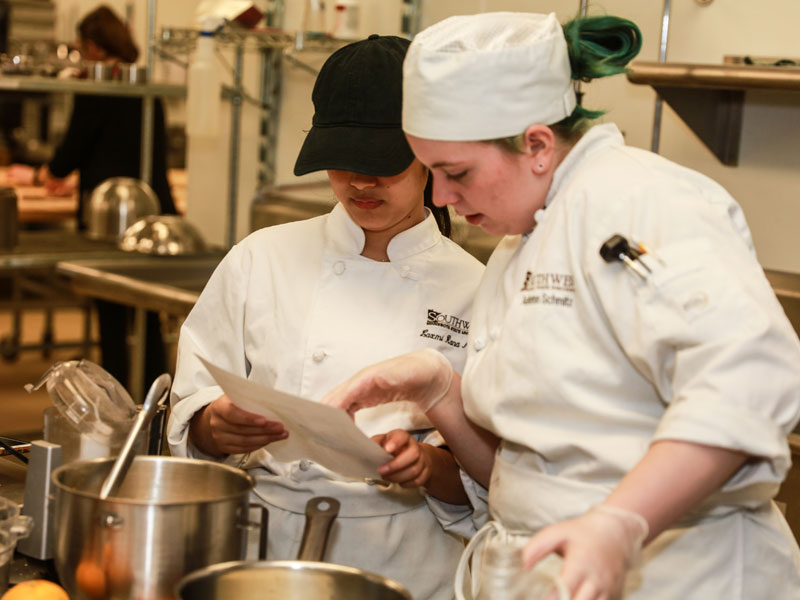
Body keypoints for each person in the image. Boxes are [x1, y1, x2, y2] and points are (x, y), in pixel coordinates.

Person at [323, 12, 800, 600]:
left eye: (456, 173)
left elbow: (750, 375)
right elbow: (527, 468)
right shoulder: (520, 240)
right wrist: (438, 392)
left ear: (538, 145)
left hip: (682, 576)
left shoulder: (639, 200)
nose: (441, 197)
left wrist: (620, 520)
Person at [167, 34, 485, 600]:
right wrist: (212, 427)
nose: (360, 183)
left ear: (432, 153)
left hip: (403, 561)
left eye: (383, 165)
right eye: (341, 163)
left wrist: (428, 467)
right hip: (265, 549)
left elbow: (499, 478)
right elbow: (189, 408)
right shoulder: (260, 257)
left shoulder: (477, 289)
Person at [7, 5, 175, 390]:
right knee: (147, 312)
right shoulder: (141, 82)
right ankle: (156, 397)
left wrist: (39, 174)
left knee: (113, 312)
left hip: (111, 217)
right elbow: (133, 150)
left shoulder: (96, 87)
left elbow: (72, 153)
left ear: (94, 46)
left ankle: (117, 400)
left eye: (83, 47)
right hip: (151, 210)